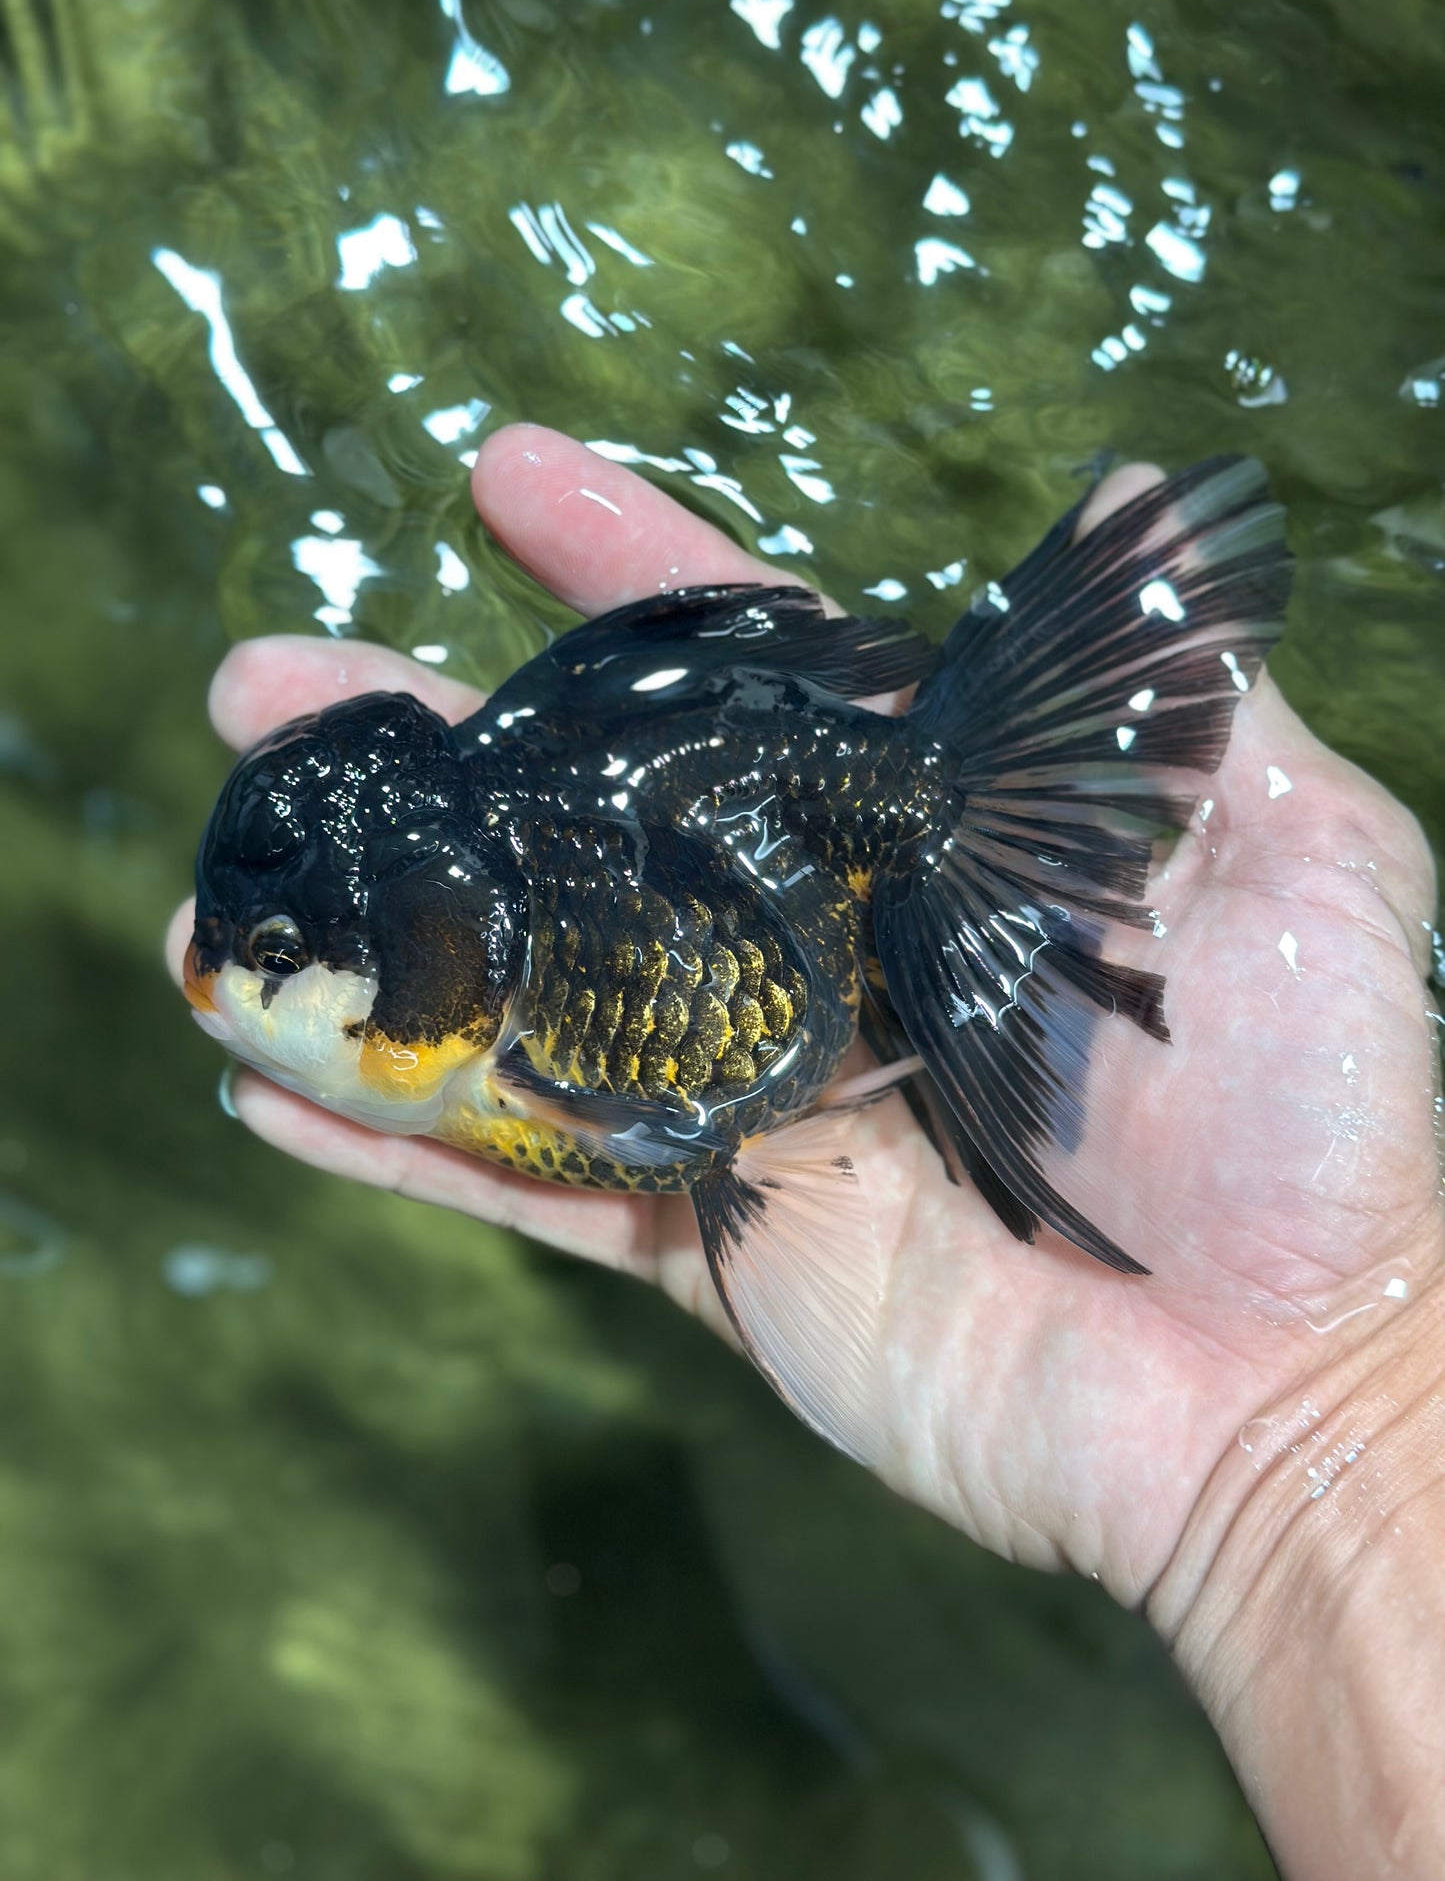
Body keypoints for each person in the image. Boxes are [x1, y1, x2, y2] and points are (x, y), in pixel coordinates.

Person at [167, 424, 1444, 1878]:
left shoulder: (528, 1035)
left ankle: (967, 822)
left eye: (267, 958)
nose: (217, 988)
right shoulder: (481, 923)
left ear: (445, 971)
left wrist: (1317, 1406)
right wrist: (1306, 1438)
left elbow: (679, 1133)